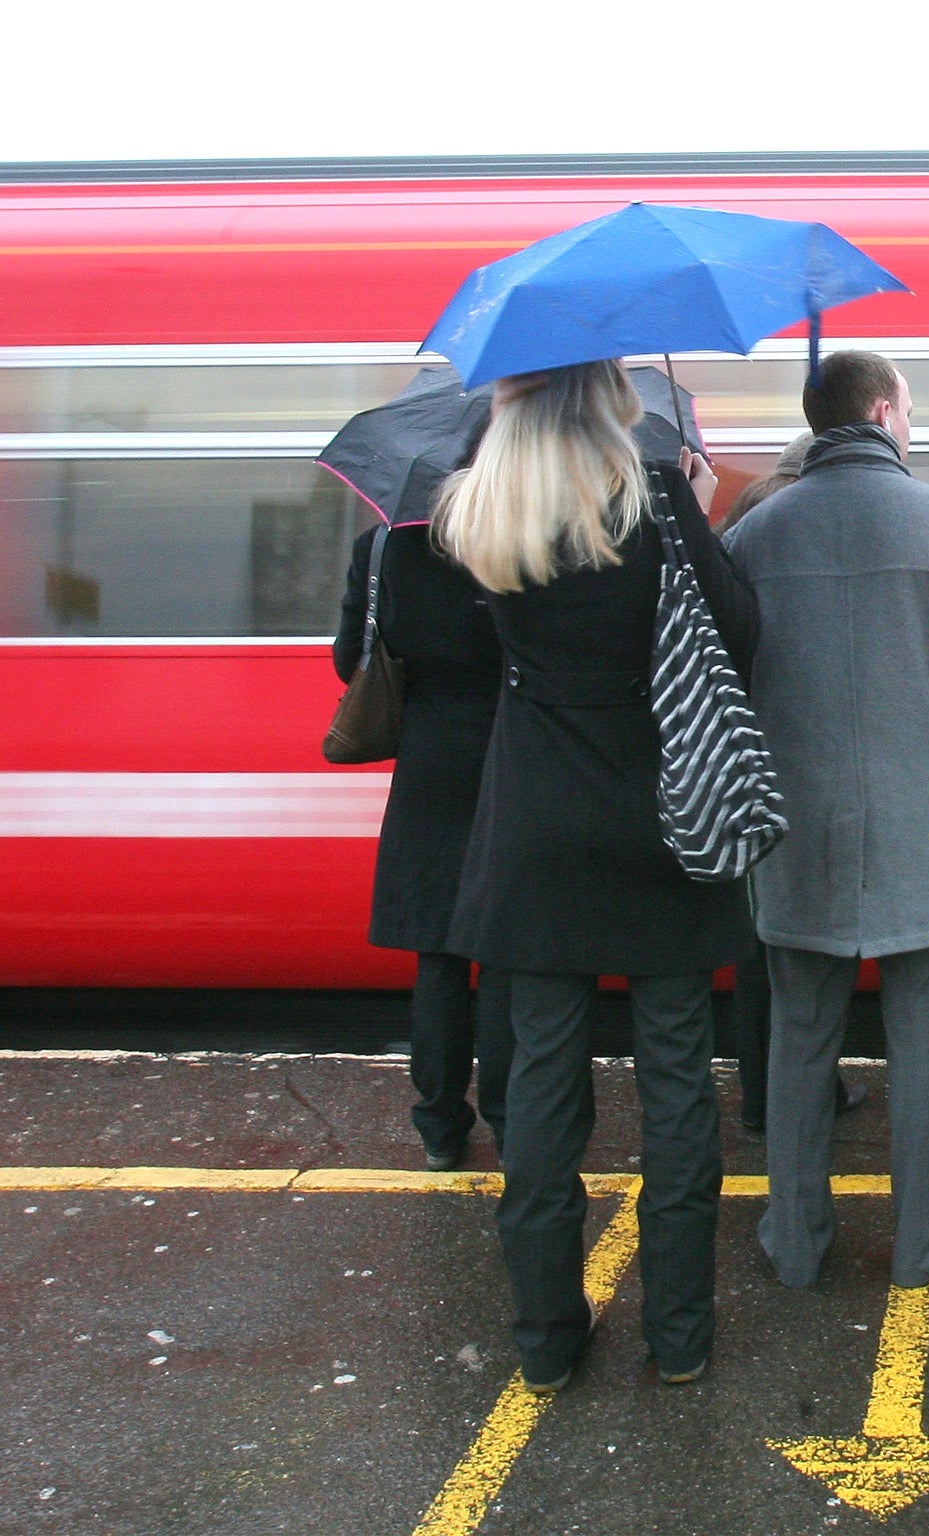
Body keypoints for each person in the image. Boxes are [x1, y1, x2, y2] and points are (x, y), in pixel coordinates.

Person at [438, 360, 757, 1394]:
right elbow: (738, 632)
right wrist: (696, 504)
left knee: (539, 1085)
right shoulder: (654, 496)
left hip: (537, 830)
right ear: (609, 395)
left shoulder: (479, 503)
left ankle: (545, 1338)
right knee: (675, 1085)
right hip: (664, 824)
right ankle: (680, 1334)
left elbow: (467, 656)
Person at [727, 350, 929, 1289]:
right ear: (887, 412)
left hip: (795, 830)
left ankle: (794, 1238)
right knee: (924, 1047)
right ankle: (928, 1237)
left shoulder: (753, 535)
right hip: (924, 826)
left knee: (798, 1039)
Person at [334, 520, 510, 1172]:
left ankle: (439, 1126)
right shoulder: (524, 534)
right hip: (513, 756)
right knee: (506, 956)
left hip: (430, 759)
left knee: (438, 956)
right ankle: (510, 1121)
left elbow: (351, 658)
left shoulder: (386, 546)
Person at [719, 435, 866, 1133]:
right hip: (810, 748)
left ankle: (762, 1095)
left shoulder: (746, 517)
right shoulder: (814, 521)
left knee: (759, 942)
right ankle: (813, 1091)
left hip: (744, 750)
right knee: (807, 945)